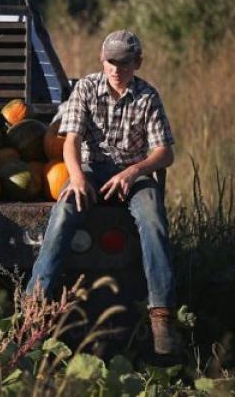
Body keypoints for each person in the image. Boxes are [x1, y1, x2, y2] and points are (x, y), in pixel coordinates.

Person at [26, 30, 177, 354]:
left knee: (152, 219)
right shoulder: (86, 88)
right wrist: (78, 178)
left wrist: (134, 171)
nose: (116, 68)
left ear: (137, 62)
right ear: (101, 58)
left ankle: (160, 314)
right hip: (91, 169)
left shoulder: (147, 96)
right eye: (111, 61)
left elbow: (165, 152)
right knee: (64, 210)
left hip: (133, 172)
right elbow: (71, 141)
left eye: (124, 62)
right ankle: (34, 307)